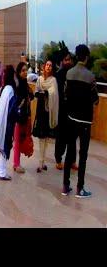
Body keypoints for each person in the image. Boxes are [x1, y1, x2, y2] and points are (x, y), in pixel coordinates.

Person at [62, 44, 99, 198]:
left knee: (70, 152)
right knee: (82, 155)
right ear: (87, 57)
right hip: (85, 121)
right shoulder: (90, 76)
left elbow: (65, 94)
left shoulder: (69, 74)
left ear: (77, 56)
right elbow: (95, 99)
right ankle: (80, 188)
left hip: (71, 118)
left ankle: (65, 186)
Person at [32, 59, 58, 173]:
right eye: (47, 65)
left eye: (50, 65)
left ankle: (42, 162)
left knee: (45, 138)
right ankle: (41, 162)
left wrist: (47, 93)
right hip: (40, 110)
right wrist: (39, 93)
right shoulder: (40, 79)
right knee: (41, 137)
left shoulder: (53, 80)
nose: (48, 67)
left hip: (48, 110)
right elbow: (37, 92)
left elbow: (54, 93)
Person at [54, 51, 75, 170]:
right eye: (66, 60)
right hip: (61, 110)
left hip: (72, 111)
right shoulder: (58, 75)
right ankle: (58, 159)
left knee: (72, 137)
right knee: (61, 137)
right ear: (62, 61)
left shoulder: (73, 74)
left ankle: (72, 160)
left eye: (69, 59)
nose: (68, 62)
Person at [12, 62, 34, 174]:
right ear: (19, 72)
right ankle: (16, 164)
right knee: (17, 141)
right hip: (18, 117)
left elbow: (32, 97)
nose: (25, 72)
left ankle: (17, 163)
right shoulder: (17, 86)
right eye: (23, 71)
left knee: (20, 140)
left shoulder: (25, 84)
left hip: (25, 116)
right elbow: (17, 102)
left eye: (26, 70)